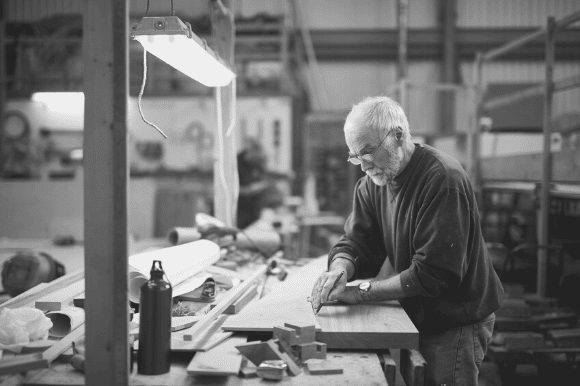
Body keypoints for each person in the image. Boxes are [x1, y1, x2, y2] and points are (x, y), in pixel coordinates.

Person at [310, 96, 504, 385]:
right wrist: (340, 269)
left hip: (456, 320)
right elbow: (357, 243)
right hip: (421, 314)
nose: (363, 166)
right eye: (354, 156)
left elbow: (433, 275)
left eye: (367, 152)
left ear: (397, 136)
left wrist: (360, 291)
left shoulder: (442, 179)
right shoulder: (371, 185)